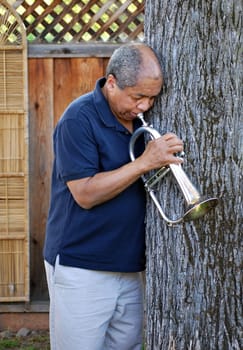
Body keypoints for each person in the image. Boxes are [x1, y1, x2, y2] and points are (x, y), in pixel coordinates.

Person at [43, 43, 183, 350]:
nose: (145, 106)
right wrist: (144, 162)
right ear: (111, 83)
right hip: (82, 266)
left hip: (131, 267)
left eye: (152, 98)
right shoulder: (78, 120)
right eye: (137, 97)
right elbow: (85, 193)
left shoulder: (141, 118)